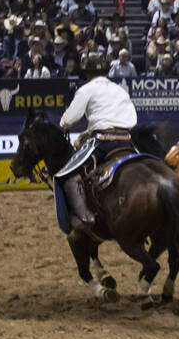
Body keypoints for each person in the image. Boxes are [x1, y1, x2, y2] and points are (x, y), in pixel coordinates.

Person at [56, 54, 139, 234]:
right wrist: (88, 131)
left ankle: (86, 218)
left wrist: (64, 119)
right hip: (127, 141)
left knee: (68, 175)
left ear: (88, 74)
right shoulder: (120, 90)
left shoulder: (86, 89)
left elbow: (68, 121)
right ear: (105, 72)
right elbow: (130, 119)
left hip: (103, 143)